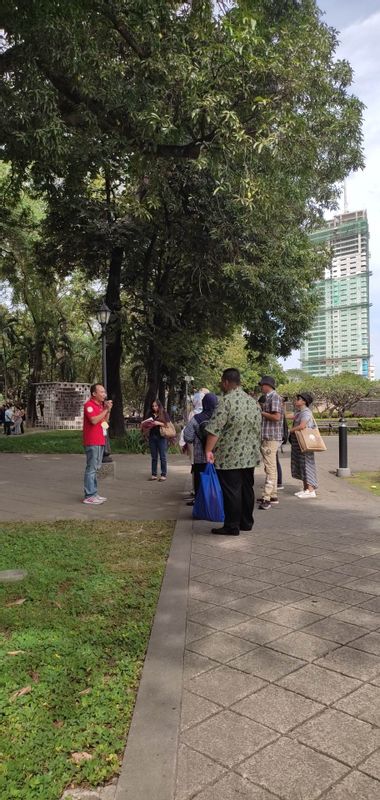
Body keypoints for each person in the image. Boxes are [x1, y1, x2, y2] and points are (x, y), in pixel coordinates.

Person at [205, 368, 261, 536]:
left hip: (230, 456)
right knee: (247, 488)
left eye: (222, 382)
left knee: (232, 491)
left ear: (226, 382)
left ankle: (231, 525)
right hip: (250, 455)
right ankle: (246, 522)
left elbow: (215, 429)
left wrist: (208, 450)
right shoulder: (253, 402)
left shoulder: (225, 401)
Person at [183, 392, 218, 505]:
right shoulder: (219, 418)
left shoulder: (196, 419)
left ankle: (200, 506)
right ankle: (214, 504)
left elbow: (187, 437)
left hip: (199, 458)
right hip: (217, 458)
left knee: (200, 482)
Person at [82, 383, 113, 505]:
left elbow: (105, 422)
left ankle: (94, 493)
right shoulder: (89, 405)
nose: (104, 394)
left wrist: (107, 410)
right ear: (94, 394)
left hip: (100, 440)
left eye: (104, 392)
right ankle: (89, 495)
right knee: (91, 468)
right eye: (101, 392)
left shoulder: (100, 406)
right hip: (92, 441)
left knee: (95, 468)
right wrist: (105, 409)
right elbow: (94, 420)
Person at [258, 376, 283, 510]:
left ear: (268, 385)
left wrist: (261, 412)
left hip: (271, 437)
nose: (261, 387)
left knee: (270, 468)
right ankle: (273, 495)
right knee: (271, 466)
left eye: (262, 385)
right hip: (270, 436)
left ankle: (266, 497)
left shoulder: (274, 397)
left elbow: (276, 417)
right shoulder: (270, 397)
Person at [289, 392, 318, 499]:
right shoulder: (299, 412)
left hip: (305, 443)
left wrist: (290, 430)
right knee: (302, 465)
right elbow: (289, 416)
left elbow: (302, 426)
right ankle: (306, 489)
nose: (296, 400)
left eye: (298, 399)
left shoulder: (306, 412)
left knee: (307, 464)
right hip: (300, 444)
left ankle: (311, 490)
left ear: (304, 401)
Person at [142, 399, 172, 481]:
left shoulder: (164, 413)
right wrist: (147, 424)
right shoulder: (150, 414)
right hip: (152, 437)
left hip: (161, 437)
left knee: (163, 456)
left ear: (159, 406)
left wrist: (158, 423)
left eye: (156, 406)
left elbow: (167, 425)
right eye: (153, 406)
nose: (154, 407)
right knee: (154, 457)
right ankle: (154, 474)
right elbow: (146, 424)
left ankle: (163, 474)